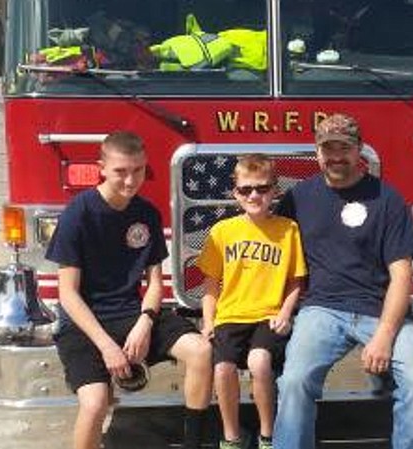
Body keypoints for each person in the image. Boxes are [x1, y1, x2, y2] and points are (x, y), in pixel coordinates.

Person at [273, 114, 413, 449]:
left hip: (380, 309)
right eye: (328, 149)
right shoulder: (298, 198)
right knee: (293, 381)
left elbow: (402, 274)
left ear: (359, 150)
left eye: (344, 148)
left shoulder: (387, 199)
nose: (336, 157)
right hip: (321, 309)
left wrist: (384, 336)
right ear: (317, 153)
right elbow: (276, 257)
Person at [45, 131, 212, 449]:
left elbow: (155, 283)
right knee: (95, 403)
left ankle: (193, 442)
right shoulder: (78, 214)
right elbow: (67, 294)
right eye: (121, 171)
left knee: (201, 351)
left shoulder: (146, 212)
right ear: (102, 168)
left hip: (132, 315)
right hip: (85, 324)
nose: (130, 180)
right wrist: (107, 347)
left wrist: (145, 322)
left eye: (138, 170)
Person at [196, 154, 307, 449]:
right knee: (222, 369)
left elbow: (297, 282)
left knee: (260, 362)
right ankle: (231, 436)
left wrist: (285, 313)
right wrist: (208, 323)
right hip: (230, 316)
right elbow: (210, 284)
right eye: (246, 190)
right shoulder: (222, 232)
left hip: (268, 315)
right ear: (235, 194)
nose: (254, 195)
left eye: (262, 188)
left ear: (275, 190)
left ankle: (268, 435)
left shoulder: (288, 230)